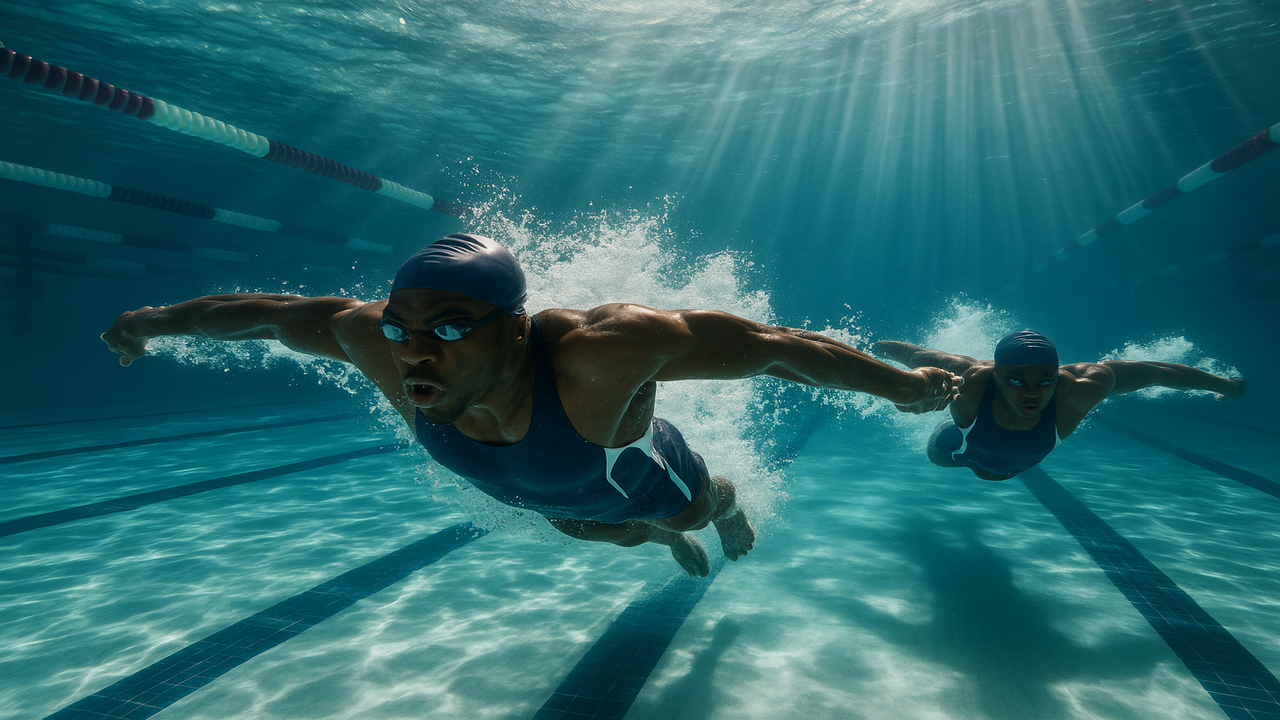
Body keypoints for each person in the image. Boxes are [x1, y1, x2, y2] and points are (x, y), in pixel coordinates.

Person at [102, 234, 962, 576]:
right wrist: (150, 321)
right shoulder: (383, 345)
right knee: (608, 534)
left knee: (689, 510)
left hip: (633, 470)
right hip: (556, 498)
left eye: (448, 326)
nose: (416, 351)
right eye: (402, 328)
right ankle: (656, 537)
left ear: (515, 330)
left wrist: (905, 386)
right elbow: (264, 317)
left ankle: (721, 508)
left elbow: (776, 348)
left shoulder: (599, 352)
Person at [871, 331, 1247, 481]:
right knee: (937, 455)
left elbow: (1156, 372)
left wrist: (1225, 385)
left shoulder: (1083, 387)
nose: (1032, 393)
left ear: (1057, 376)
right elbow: (915, 354)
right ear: (999, 376)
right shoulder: (969, 380)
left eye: (1044, 381)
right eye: (1018, 381)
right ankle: (947, 437)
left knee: (998, 470)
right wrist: (873, 348)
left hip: (1011, 465)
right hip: (957, 449)